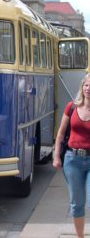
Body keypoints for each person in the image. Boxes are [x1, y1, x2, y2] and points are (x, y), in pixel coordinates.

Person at [53, 73, 90, 238]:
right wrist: (56, 156)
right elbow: (60, 134)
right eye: (86, 85)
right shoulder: (71, 107)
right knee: (77, 204)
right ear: (82, 87)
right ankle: (80, 236)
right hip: (72, 160)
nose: (88, 89)